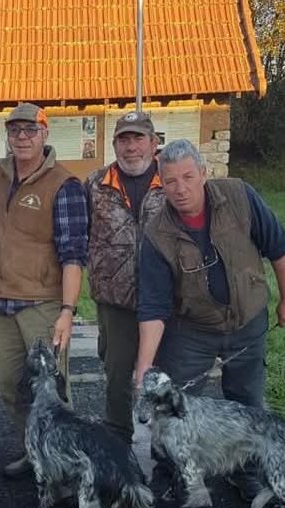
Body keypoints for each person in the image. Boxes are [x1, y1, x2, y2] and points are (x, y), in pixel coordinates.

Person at [134, 138, 285, 497]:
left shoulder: (240, 196)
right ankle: (169, 467)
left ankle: (246, 472)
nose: (180, 188)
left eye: (188, 177)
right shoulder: (156, 234)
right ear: (160, 183)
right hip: (192, 327)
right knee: (173, 403)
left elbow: (280, 246)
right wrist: (145, 367)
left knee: (247, 402)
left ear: (203, 174)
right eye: (170, 181)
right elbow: (153, 307)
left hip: (248, 319)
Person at [0, 102, 89, 477]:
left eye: (31, 130)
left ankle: (64, 466)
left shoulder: (64, 184)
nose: (22, 137)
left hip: (41, 307)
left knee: (52, 394)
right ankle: (34, 453)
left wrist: (66, 311)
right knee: (11, 387)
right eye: (15, 131)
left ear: (45, 133)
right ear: (8, 136)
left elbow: (74, 254)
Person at [85, 111, 165, 444]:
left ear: (154, 142)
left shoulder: (171, 180)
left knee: (163, 375)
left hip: (163, 299)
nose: (131, 147)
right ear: (115, 143)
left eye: (138, 138)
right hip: (114, 300)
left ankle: (166, 445)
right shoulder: (95, 184)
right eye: (124, 139)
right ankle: (118, 441)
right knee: (116, 376)